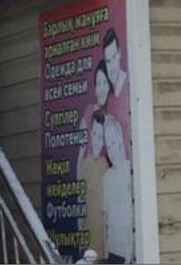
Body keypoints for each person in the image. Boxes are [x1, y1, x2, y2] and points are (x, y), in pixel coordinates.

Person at [76, 110, 109, 261]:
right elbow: (79, 201)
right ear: (90, 134)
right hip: (88, 235)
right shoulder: (85, 164)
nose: (97, 140)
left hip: (102, 237)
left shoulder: (106, 165)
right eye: (95, 134)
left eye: (101, 137)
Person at [101, 114, 134, 264]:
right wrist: (106, 250)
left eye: (113, 143)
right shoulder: (107, 177)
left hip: (129, 252)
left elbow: (132, 215)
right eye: (108, 146)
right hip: (113, 252)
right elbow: (105, 217)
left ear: (120, 139)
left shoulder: (130, 170)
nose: (111, 150)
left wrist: (130, 254)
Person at [102, 29, 127, 98]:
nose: (112, 66)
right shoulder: (107, 92)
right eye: (108, 61)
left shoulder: (128, 83)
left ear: (119, 53)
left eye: (114, 57)